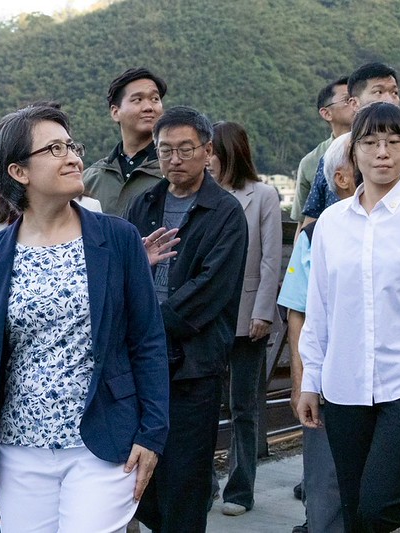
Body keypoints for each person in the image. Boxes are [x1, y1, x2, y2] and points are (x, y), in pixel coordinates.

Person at [0, 105, 169, 532]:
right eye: (55, 149)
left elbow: (147, 341)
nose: (73, 157)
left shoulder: (118, 239)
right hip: (19, 445)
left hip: (103, 441)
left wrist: (152, 432)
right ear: (19, 172)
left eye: (72, 146)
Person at [297, 102, 400, 532]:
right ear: (353, 153)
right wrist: (311, 380)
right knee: (352, 507)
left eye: (394, 142)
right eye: (370, 142)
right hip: (345, 388)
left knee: (380, 507)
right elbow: (320, 307)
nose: (382, 152)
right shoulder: (331, 223)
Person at [125, 106, 248, 533]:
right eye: (165, 150)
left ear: (207, 151)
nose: (174, 159)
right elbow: (124, 272)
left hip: (192, 366)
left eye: (185, 149)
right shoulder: (144, 203)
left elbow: (210, 290)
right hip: (142, 364)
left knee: (185, 480)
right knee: (141, 483)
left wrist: (145, 325)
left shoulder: (225, 211)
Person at [206, 121, 282, 517]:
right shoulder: (201, 194)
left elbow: (271, 258)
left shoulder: (263, 195)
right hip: (207, 318)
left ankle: (240, 490)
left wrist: (264, 312)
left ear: (228, 153)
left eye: (211, 151)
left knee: (243, 407)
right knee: (203, 406)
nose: (206, 159)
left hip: (248, 316)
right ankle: (203, 486)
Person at [281, 132, 354, 533]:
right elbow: (299, 314)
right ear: (342, 178)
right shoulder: (315, 234)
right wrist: (300, 382)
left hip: (390, 388)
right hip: (327, 382)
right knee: (326, 488)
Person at [301, 62, 400, 224]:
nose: (389, 99)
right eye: (379, 92)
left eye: (394, 92)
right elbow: (311, 220)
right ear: (354, 103)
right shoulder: (333, 157)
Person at [84, 67, 167, 215]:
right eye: (138, 100)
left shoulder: (173, 172)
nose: (149, 107)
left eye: (155, 99)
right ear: (115, 112)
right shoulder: (90, 179)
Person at [291, 77, 353, 234]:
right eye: (347, 100)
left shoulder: (381, 152)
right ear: (326, 113)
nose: (355, 104)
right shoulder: (312, 161)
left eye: (356, 98)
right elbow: (303, 222)